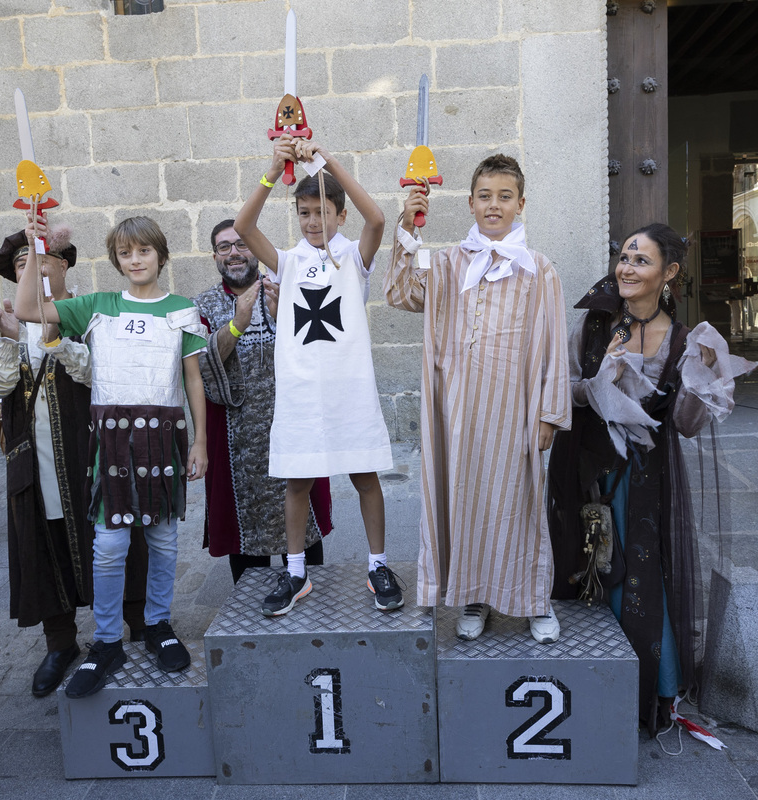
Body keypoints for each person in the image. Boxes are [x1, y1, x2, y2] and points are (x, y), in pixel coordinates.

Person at [548, 223, 755, 733]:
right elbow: (562, 390)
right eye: (623, 257)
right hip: (586, 468)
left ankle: (648, 692)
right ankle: (588, 682)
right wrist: (600, 384)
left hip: (645, 479)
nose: (627, 268)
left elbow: (684, 425)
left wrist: (701, 377)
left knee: (636, 574)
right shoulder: (596, 326)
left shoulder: (687, 340)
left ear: (670, 273)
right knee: (585, 565)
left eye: (641, 260)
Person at [14, 214, 208, 696]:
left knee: (162, 543)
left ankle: (158, 625)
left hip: (163, 437)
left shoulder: (184, 309)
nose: (135, 260)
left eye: (143, 251)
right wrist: (35, 246)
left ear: (161, 256)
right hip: (113, 441)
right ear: (117, 261)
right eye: (125, 253)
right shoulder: (96, 306)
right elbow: (26, 309)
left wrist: (200, 441)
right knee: (109, 547)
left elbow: (193, 379)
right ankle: (105, 642)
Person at [385, 154, 570, 642]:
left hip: (515, 411)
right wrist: (408, 228)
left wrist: (549, 413)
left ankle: (533, 601)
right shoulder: (447, 263)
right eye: (485, 196)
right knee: (464, 502)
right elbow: (401, 294)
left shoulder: (539, 270)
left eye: (504, 197)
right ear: (470, 203)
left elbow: (552, 340)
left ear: (521, 204)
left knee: (518, 502)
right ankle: (473, 597)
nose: (494, 205)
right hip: (458, 412)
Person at [0, 224, 148, 697]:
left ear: (63, 263)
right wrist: (10, 338)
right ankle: (61, 642)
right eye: (21, 265)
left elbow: (99, 373)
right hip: (36, 464)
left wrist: (54, 338)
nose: (30, 269)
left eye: (39, 258)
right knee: (42, 543)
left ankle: (141, 624)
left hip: (94, 453)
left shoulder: (94, 317)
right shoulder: (3, 330)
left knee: (115, 535)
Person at [234, 135, 400, 617]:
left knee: (365, 477)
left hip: (349, 390)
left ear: (339, 215)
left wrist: (325, 157)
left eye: (322, 212)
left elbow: (378, 219)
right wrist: (274, 167)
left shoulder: (353, 256)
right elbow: (245, 225)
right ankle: (296, 572)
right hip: (302, 394)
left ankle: (378, 564)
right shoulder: (288, 261)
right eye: (304, 213)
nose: (312, 222)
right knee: (297, 485)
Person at [194, 219, 333, 583]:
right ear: (214, 257)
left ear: (255, 250)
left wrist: (281, 317)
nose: (234, 253)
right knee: (245, 534)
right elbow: (200, 367)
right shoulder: (203, 306)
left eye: (241, 244)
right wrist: (237, 324)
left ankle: (306, 591)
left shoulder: (287, 291)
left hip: (291, 424)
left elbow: (317, 351)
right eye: (224, 247)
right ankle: (249, 610)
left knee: (304, 524)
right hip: (235, 437)